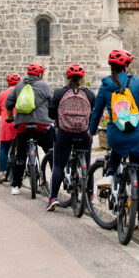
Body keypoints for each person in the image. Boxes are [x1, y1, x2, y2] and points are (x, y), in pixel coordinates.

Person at [88, 49, 139, 230]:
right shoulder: (137, 82)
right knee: (138, 176)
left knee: (117, 148)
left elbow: (97, 111)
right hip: (137, 133)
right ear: (127, 66)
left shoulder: (106, 85)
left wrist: (91, 131)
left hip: (116, 135)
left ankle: (109, 174)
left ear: (111, 67)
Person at [45, 64, 96, 211]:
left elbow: (52, 114)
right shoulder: (89, 94)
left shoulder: (59, 93)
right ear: (82, 78)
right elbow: (93, 113)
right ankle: (90, 196)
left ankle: (53, 197)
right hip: (83, 133)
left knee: (59, 165)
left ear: (68, 78)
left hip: (64, 132)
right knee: (87, 163)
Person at [4, 62, 55, 196]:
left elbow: (9, 102)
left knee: (20, 155)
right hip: (41, 124)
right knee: (51, 151)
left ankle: (16, 186)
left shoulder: (19, 85)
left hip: (22, 125)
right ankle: (56, 180)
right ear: (39, 74)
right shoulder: (44, 85)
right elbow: (52, 103)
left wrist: (10, 118)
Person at [0, 72, 21, 183]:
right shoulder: (21, 92)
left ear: (8, 83)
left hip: (6, 125)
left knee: (4, 148)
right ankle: (21, 170)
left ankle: (3, 171)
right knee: (21, 148)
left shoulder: (2, 94)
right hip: (18, 123)